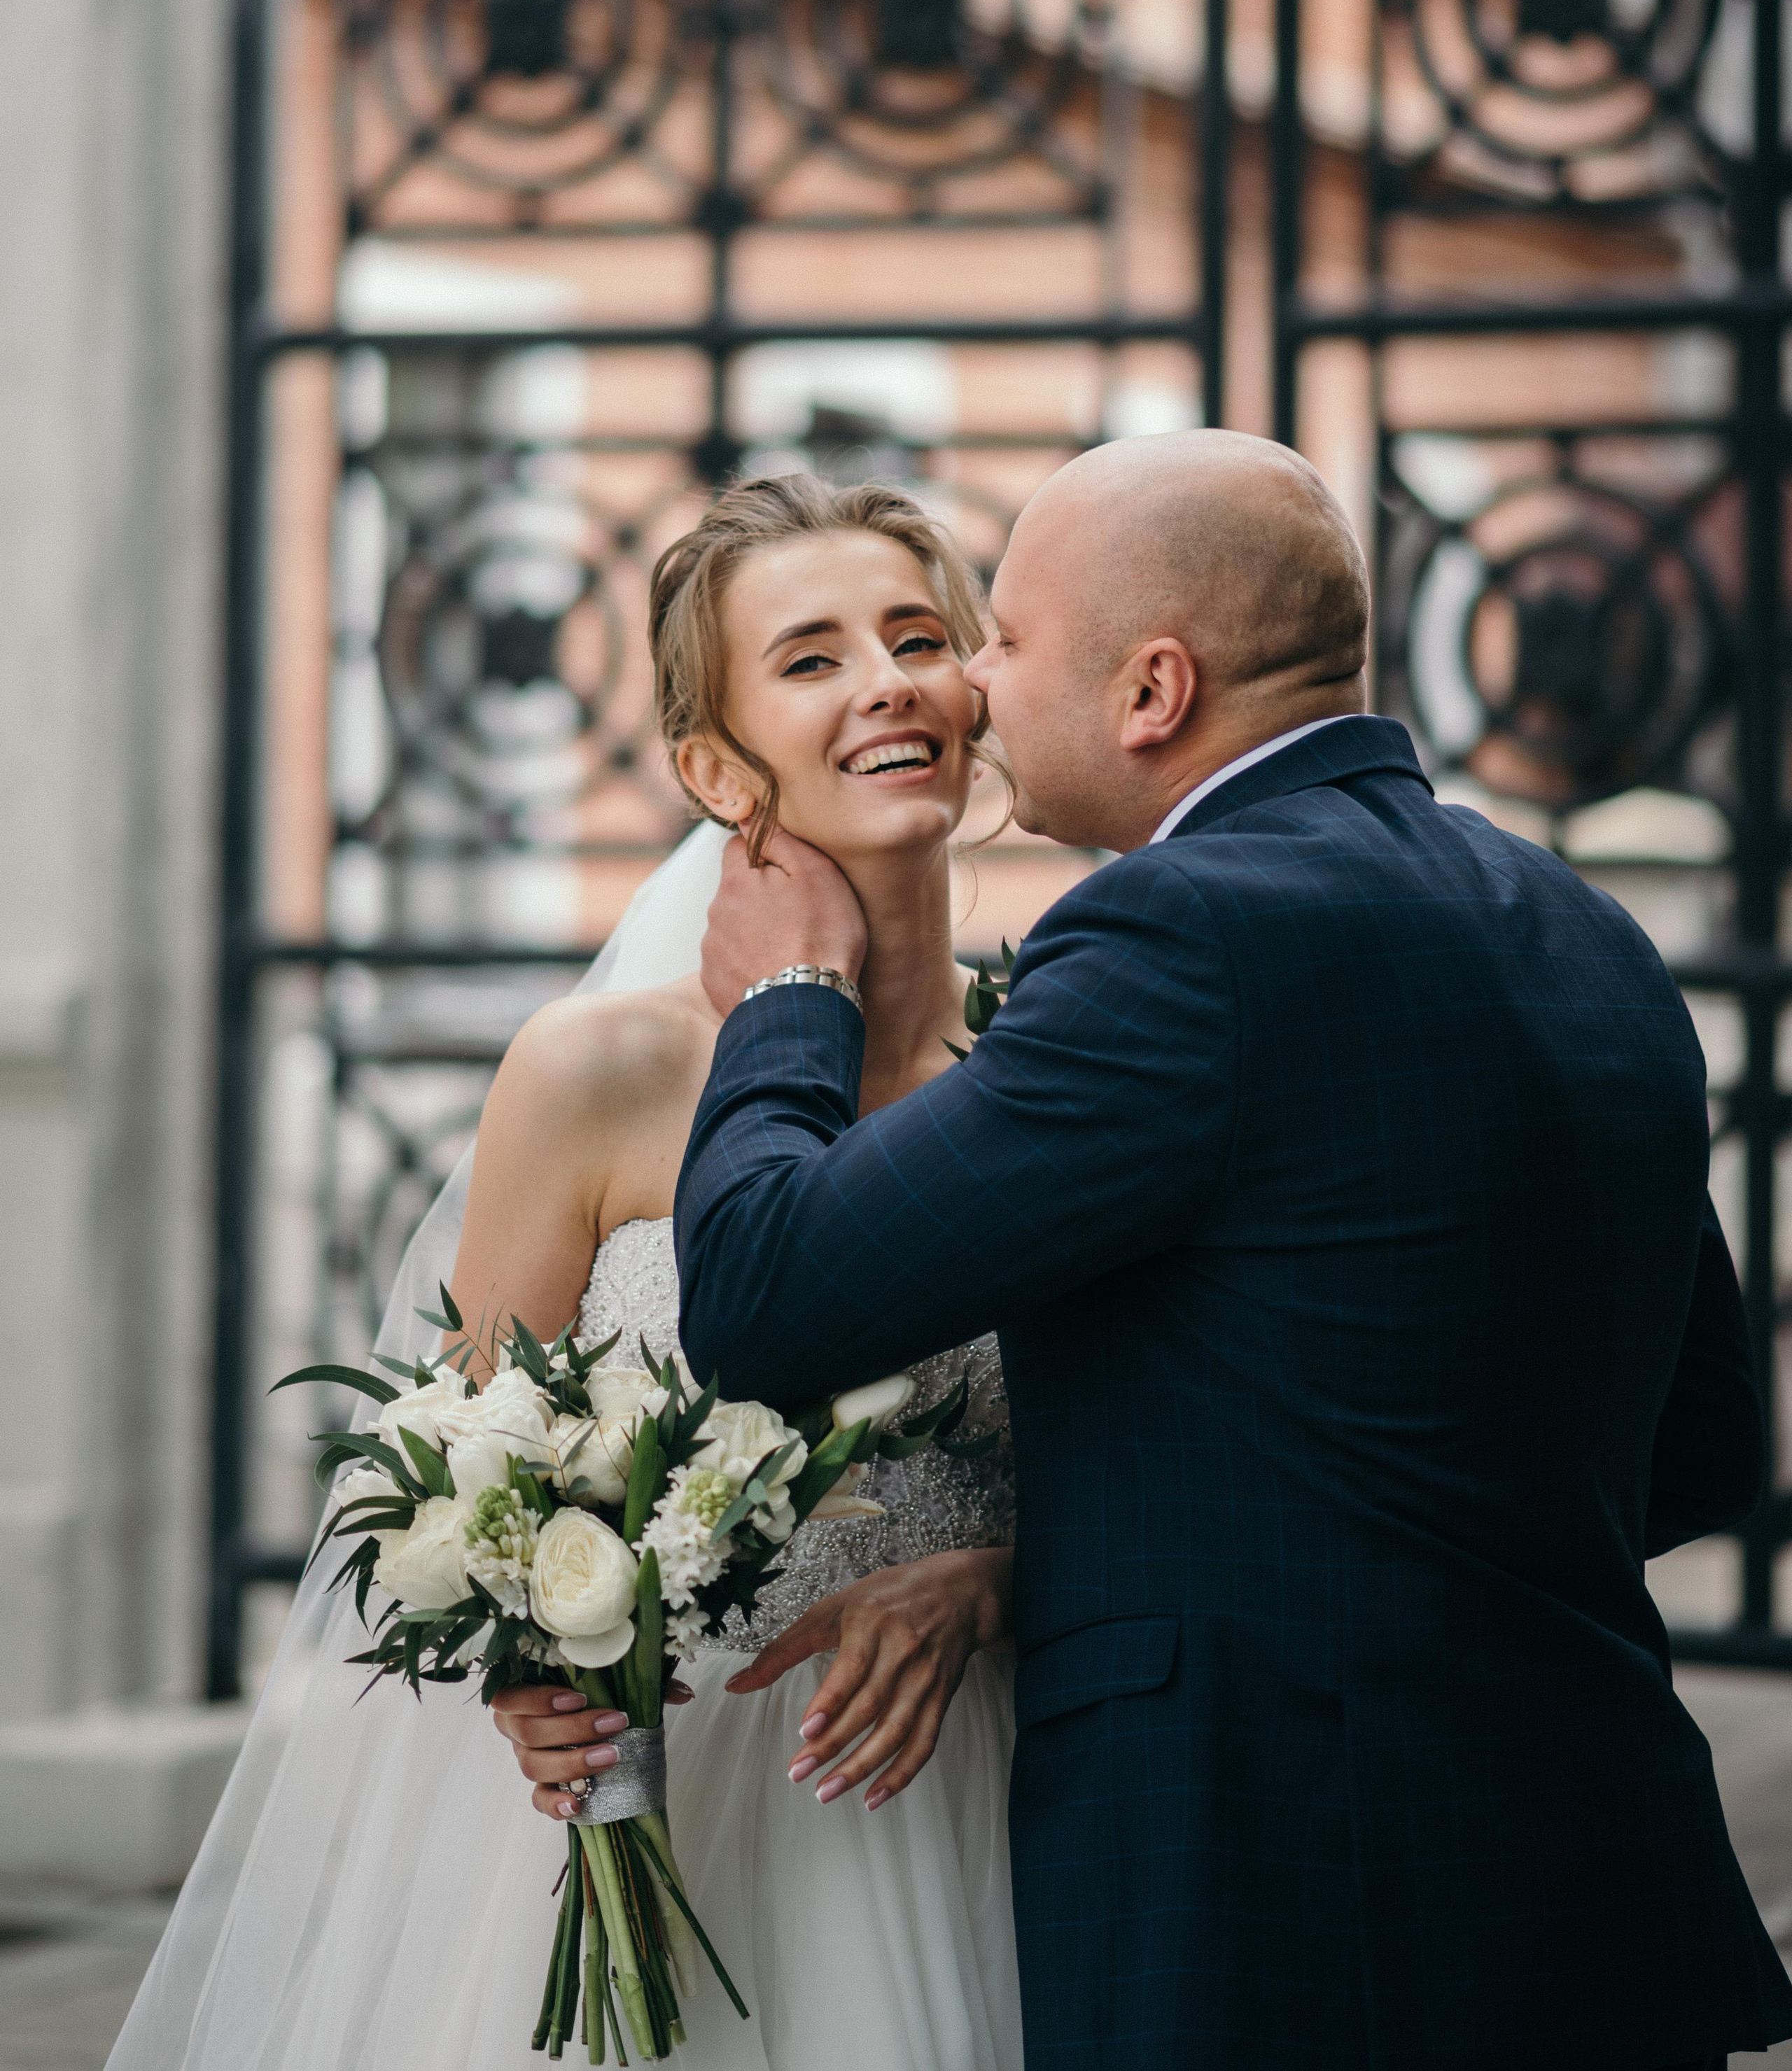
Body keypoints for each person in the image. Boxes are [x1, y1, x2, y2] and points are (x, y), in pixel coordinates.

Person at [676, 428, 1792, 2071]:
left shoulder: (1175, 938)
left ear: (1151, 692)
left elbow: (767, 1298)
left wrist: (787, 1000)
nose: (969, 684)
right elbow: (1698, 1447)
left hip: (1281, 1913)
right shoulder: (1574, 925)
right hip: (1594, 1894)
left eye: (999, 639)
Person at [109, 475, 1021, 2071]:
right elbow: (477, 1465)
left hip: (994, 1781)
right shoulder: (595, 1074)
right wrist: (533, 1668)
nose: (884, 679)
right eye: (809, 658)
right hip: (689, 1796)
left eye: (917, 635)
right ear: (706, 763)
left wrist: (1004, 1574)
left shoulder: (1051, 1053)